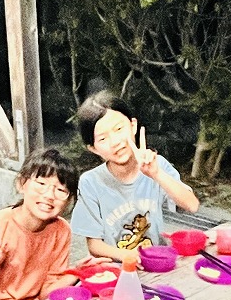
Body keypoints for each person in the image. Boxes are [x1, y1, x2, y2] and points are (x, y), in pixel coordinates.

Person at [71, 92, 200, 260]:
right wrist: (132, 257)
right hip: (117, 268)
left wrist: (156, 174)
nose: (115, 142)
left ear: (133, 126)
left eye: (119, 129)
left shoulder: (157, 165)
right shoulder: (90, 182)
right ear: (93, 148)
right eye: (102, 139)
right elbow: (94, 245)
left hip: (157, 263)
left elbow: (192, 205)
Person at [0, 148, 83, 300]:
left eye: (61, 190)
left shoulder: (61, 230)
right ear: (21, 184)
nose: (49, 195)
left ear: (69, 199)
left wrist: (78, 271)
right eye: (41, 184)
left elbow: (46, 294)